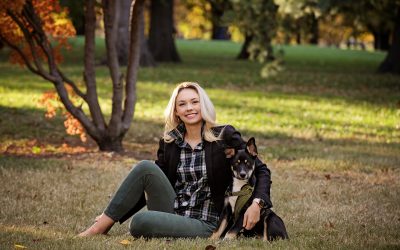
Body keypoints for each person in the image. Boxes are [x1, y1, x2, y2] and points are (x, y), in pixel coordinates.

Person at [78, 82, 272, 238]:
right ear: (176, 111)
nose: (189, 108)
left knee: (140, 223)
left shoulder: (224, 135)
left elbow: (262, 170)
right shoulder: (170, 141)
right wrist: (112, 214)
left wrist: (257, 204)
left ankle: (109, 226)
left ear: (202, 105)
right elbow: (149, 184)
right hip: (173, 210)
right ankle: (99, 227)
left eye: (194, 102)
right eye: (182, 104)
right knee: (146, 168)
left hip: (206, 221)